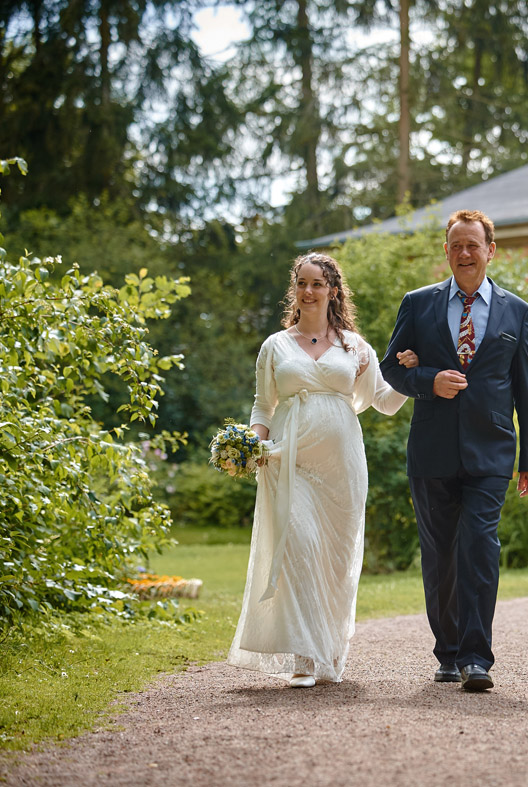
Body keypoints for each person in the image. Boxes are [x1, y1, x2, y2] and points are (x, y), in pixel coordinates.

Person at [228, 252, 416, 688]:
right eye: (301, 283)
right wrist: (252, 444)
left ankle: (328, 650)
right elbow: (263, 405)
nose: (308, 292)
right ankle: (303, 658)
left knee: (333, 560)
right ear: (294, 290)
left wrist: (412, 375)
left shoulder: (356, 347)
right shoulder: (275, 346)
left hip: (341, 467)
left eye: (317, 284)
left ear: (333, 290)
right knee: (297, 546)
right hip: (287, 461)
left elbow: (385, 402)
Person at [380, 208, 528, 692]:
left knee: (479, 547)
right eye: (456, 246)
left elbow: (525, 388)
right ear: (446, 252)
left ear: (490, 250)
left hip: (491, 451)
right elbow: (390, 368)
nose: (465, 253)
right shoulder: (418, 304)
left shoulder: (517, 311)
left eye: (473, 245)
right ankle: (447, 652)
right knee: (439, 556)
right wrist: (429, 379)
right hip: (431, 451)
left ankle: (477, 658)